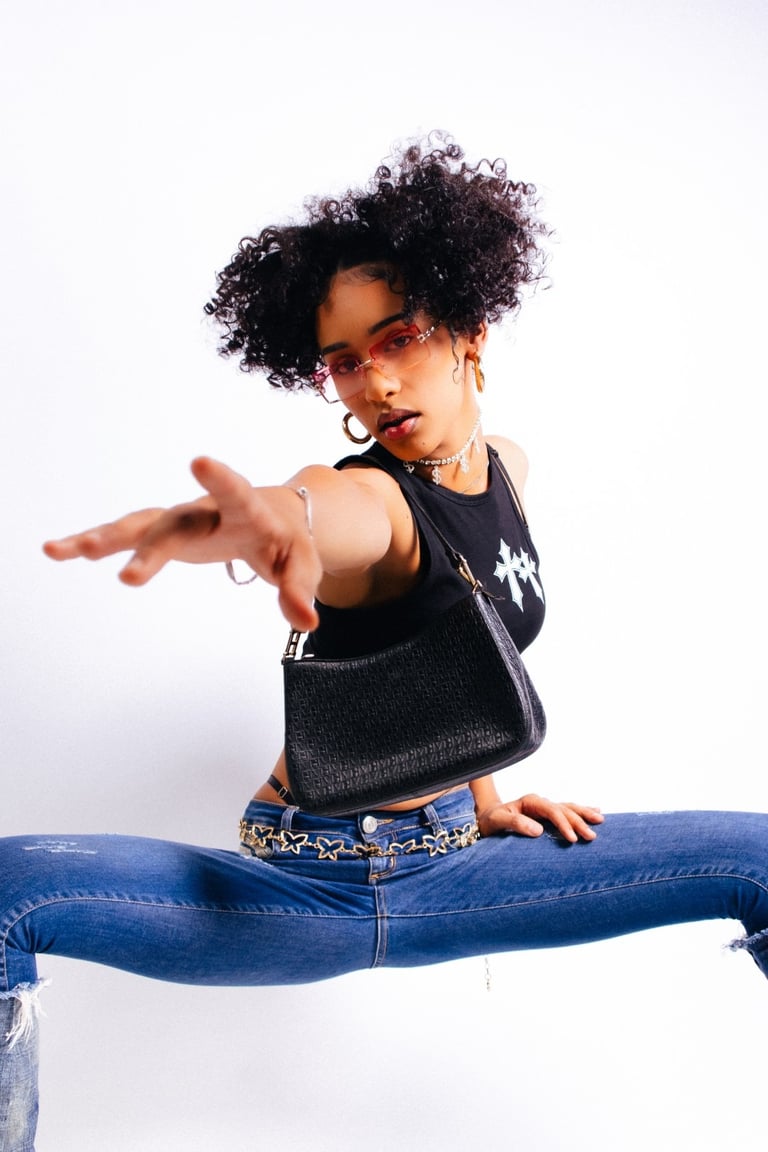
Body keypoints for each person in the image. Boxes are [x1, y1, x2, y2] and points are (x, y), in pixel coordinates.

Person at [2, 133, 767, 1150]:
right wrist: (262, 522)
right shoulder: (369, 500)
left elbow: (462, 636)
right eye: (343, 364)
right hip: (302, 883)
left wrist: (486, 794)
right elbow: (319, 509)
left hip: (459, 865)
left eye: (398, 339)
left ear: (470, 332)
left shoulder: (507, 468)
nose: (373, 384)